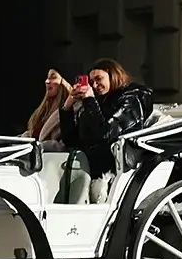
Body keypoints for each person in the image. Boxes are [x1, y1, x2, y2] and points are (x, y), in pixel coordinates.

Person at [60, 59, 154, 198]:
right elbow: (71, 140)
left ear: (113, 75)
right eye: (91, 82)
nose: (96, 85)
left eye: (99, 79)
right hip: (89, 164)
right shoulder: (98, 102)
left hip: (113, 166)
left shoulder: (131, 99)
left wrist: (90, 101)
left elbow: (106, 134)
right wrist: (67, 107)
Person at [27, 70, 72, 147]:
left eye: (53, 78)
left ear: (64, 82)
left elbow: (65, 144)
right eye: (47, 78)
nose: (47, 81)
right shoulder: (43, 110)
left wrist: (38, 147)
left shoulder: (71, 110)